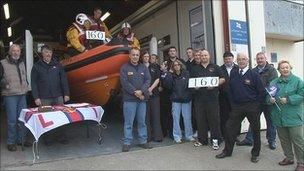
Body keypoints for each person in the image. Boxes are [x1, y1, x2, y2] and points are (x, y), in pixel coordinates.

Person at [216, 53, 264, 163]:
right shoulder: (234, 73)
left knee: (255, 130)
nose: (241, 61)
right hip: (237, 106)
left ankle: (255, 153)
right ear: (236, 61)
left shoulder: (254, 74)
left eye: (243, 59)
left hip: (252, 106)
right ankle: (227, 151)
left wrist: (256, 105)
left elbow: (261, 92)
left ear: (248, 60)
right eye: (239, 59)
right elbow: (229, 89)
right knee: (229, 127)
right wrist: (233, 103)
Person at [266, 60, 303, 171]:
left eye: (287, 67)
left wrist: (289, 99)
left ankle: (301, 162)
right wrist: (270, 100)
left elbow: (302, 94)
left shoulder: (298, 81)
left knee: (298, 141)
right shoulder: (274, 82)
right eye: (282, 68)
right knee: (284, 139)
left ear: (290, 68)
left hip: (294, 116)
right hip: (279, 116)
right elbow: (268, 96)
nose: (285, 69)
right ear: (279, 70)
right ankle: (289, 157)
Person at [237, 52, 278, 150]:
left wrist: (266, 95)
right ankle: (249, 139)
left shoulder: (272, 70)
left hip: (268, 100)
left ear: (265, 58)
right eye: (258, 59)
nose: (260, 60)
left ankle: (271, 140)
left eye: (261, 58)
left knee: (270, 121)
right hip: (256, 101)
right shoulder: (253, 71)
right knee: (253, 120)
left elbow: (273, 86)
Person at [31, 45, 70, 145]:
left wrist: (66, 93)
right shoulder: (36, 66)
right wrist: (36, 97)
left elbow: (63, 79)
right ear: (42, 53)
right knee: (47, 119)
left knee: (61, 117)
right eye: (46, 52)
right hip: (44, 98)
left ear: (52, 53)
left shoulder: (57, 65)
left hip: (58, 96)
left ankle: (62, 137)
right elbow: (33, 83)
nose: (48, 54)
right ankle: (48, 139)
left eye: (50, 52)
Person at [190, 49, 225, 150]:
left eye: (205, 55)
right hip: (199, 99)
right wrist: (194, 87)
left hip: (212, 99)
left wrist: (215, 84)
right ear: (199, 57)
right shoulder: (195, 69)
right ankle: (202, 140)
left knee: (214, 120)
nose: (204, 57)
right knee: (200, 120)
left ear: (209, 56)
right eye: (202, 56)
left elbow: (223, 78)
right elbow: (191, 82)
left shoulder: (215, 67)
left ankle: (216, 141)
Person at [120, 48, 152, 152]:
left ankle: (143, 141)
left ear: (139, 56)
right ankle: (127, 142)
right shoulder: (124, 68)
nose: (135, 56)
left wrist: (141, 91)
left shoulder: (143, 68)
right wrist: (135, 92)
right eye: (133, 54)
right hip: (129, 100)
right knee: (128, 122)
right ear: (129, 55)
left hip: (141, 100)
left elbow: (148, 80)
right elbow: (124, 83)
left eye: (137, 55)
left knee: (142, 122)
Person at [0, 44, 30, 151]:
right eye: (14, 50)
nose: (16, 52)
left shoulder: (22, 62)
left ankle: (21, 140)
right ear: (10, 52)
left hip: (22, 95)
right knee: (12, 120)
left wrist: (26, 85)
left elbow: (24, 76)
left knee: (22, 119)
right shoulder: (2, 63)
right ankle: (11, 142)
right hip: (10, 95)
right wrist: (4, 84)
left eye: (18, 51)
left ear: (20, 52)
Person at [160, 59, 194, 143]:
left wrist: (189, 95)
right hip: (176, 100)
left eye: (178, 65)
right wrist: (168, 73)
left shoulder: (186, 73)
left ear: (181, 65)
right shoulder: (171, 75)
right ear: (173, 67)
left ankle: (189, 135)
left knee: (187, 118)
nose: (177, 66)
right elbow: (167, 85)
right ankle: (177, 136)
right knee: (176, 119)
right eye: (175, 65)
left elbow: (191, 85)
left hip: (186, 99)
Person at [141, 51, 163, 142]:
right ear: (142, 58)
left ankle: (158, 137)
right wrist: (146, 90)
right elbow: (138, 81)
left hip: (154, 95)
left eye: (147, 56)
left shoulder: (154, 66)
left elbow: (158, 79)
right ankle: (147, 137)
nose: (146, 58)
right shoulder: (139, 67)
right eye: (144, 56)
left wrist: (150, 89)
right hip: (143, 95)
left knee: (156, 116)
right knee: (146, 117)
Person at [219, 52, 239, 141]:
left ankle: (235, 135)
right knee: (224, 116)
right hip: (223, 97)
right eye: (226, 59)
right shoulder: (220, 69)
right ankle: (225, 134)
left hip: (236, 97)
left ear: (233, 58)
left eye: (229, 58)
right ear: (224, 60)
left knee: (236, 116)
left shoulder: (238, 68)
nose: (228, 60)